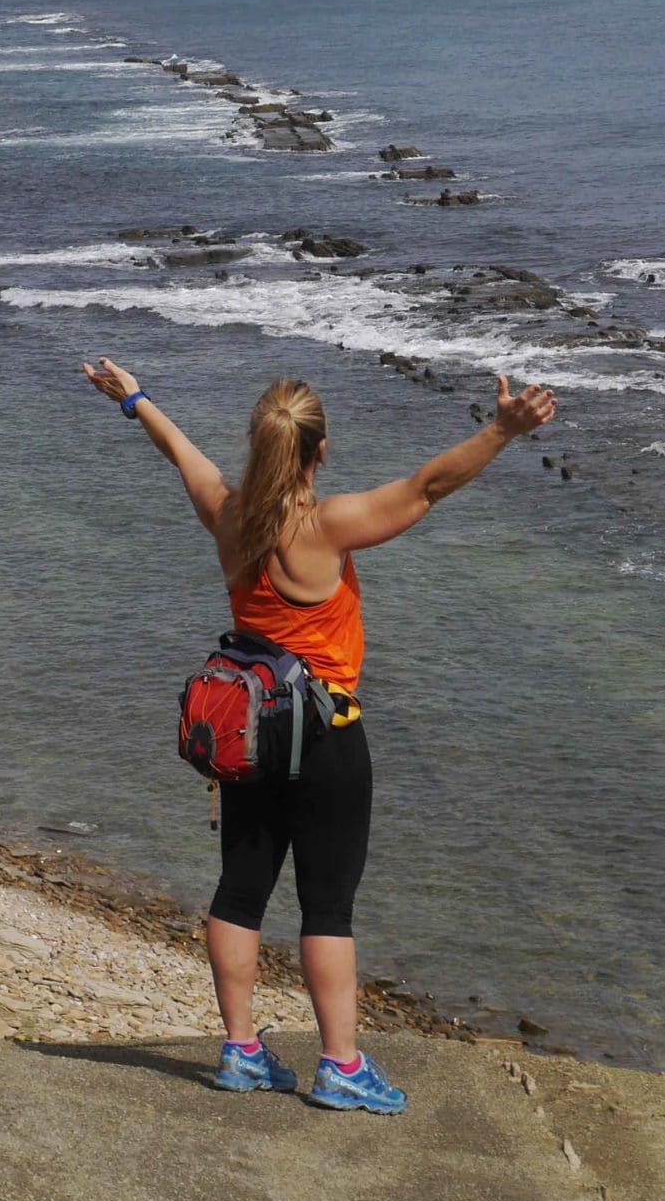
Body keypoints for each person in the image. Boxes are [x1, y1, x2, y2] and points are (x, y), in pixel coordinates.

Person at [81, 359, 558, 1114]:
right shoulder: (328, 526)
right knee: (326, 906)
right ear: (320, 450)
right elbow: (427, 487)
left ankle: (241, 1051)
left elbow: (184, 455)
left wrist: (137, 399)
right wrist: (502, 429)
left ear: (256, 446)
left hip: (250, 731)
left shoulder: (229, 517)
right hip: (325, 735)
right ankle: (339, 1065)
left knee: (240, 889)